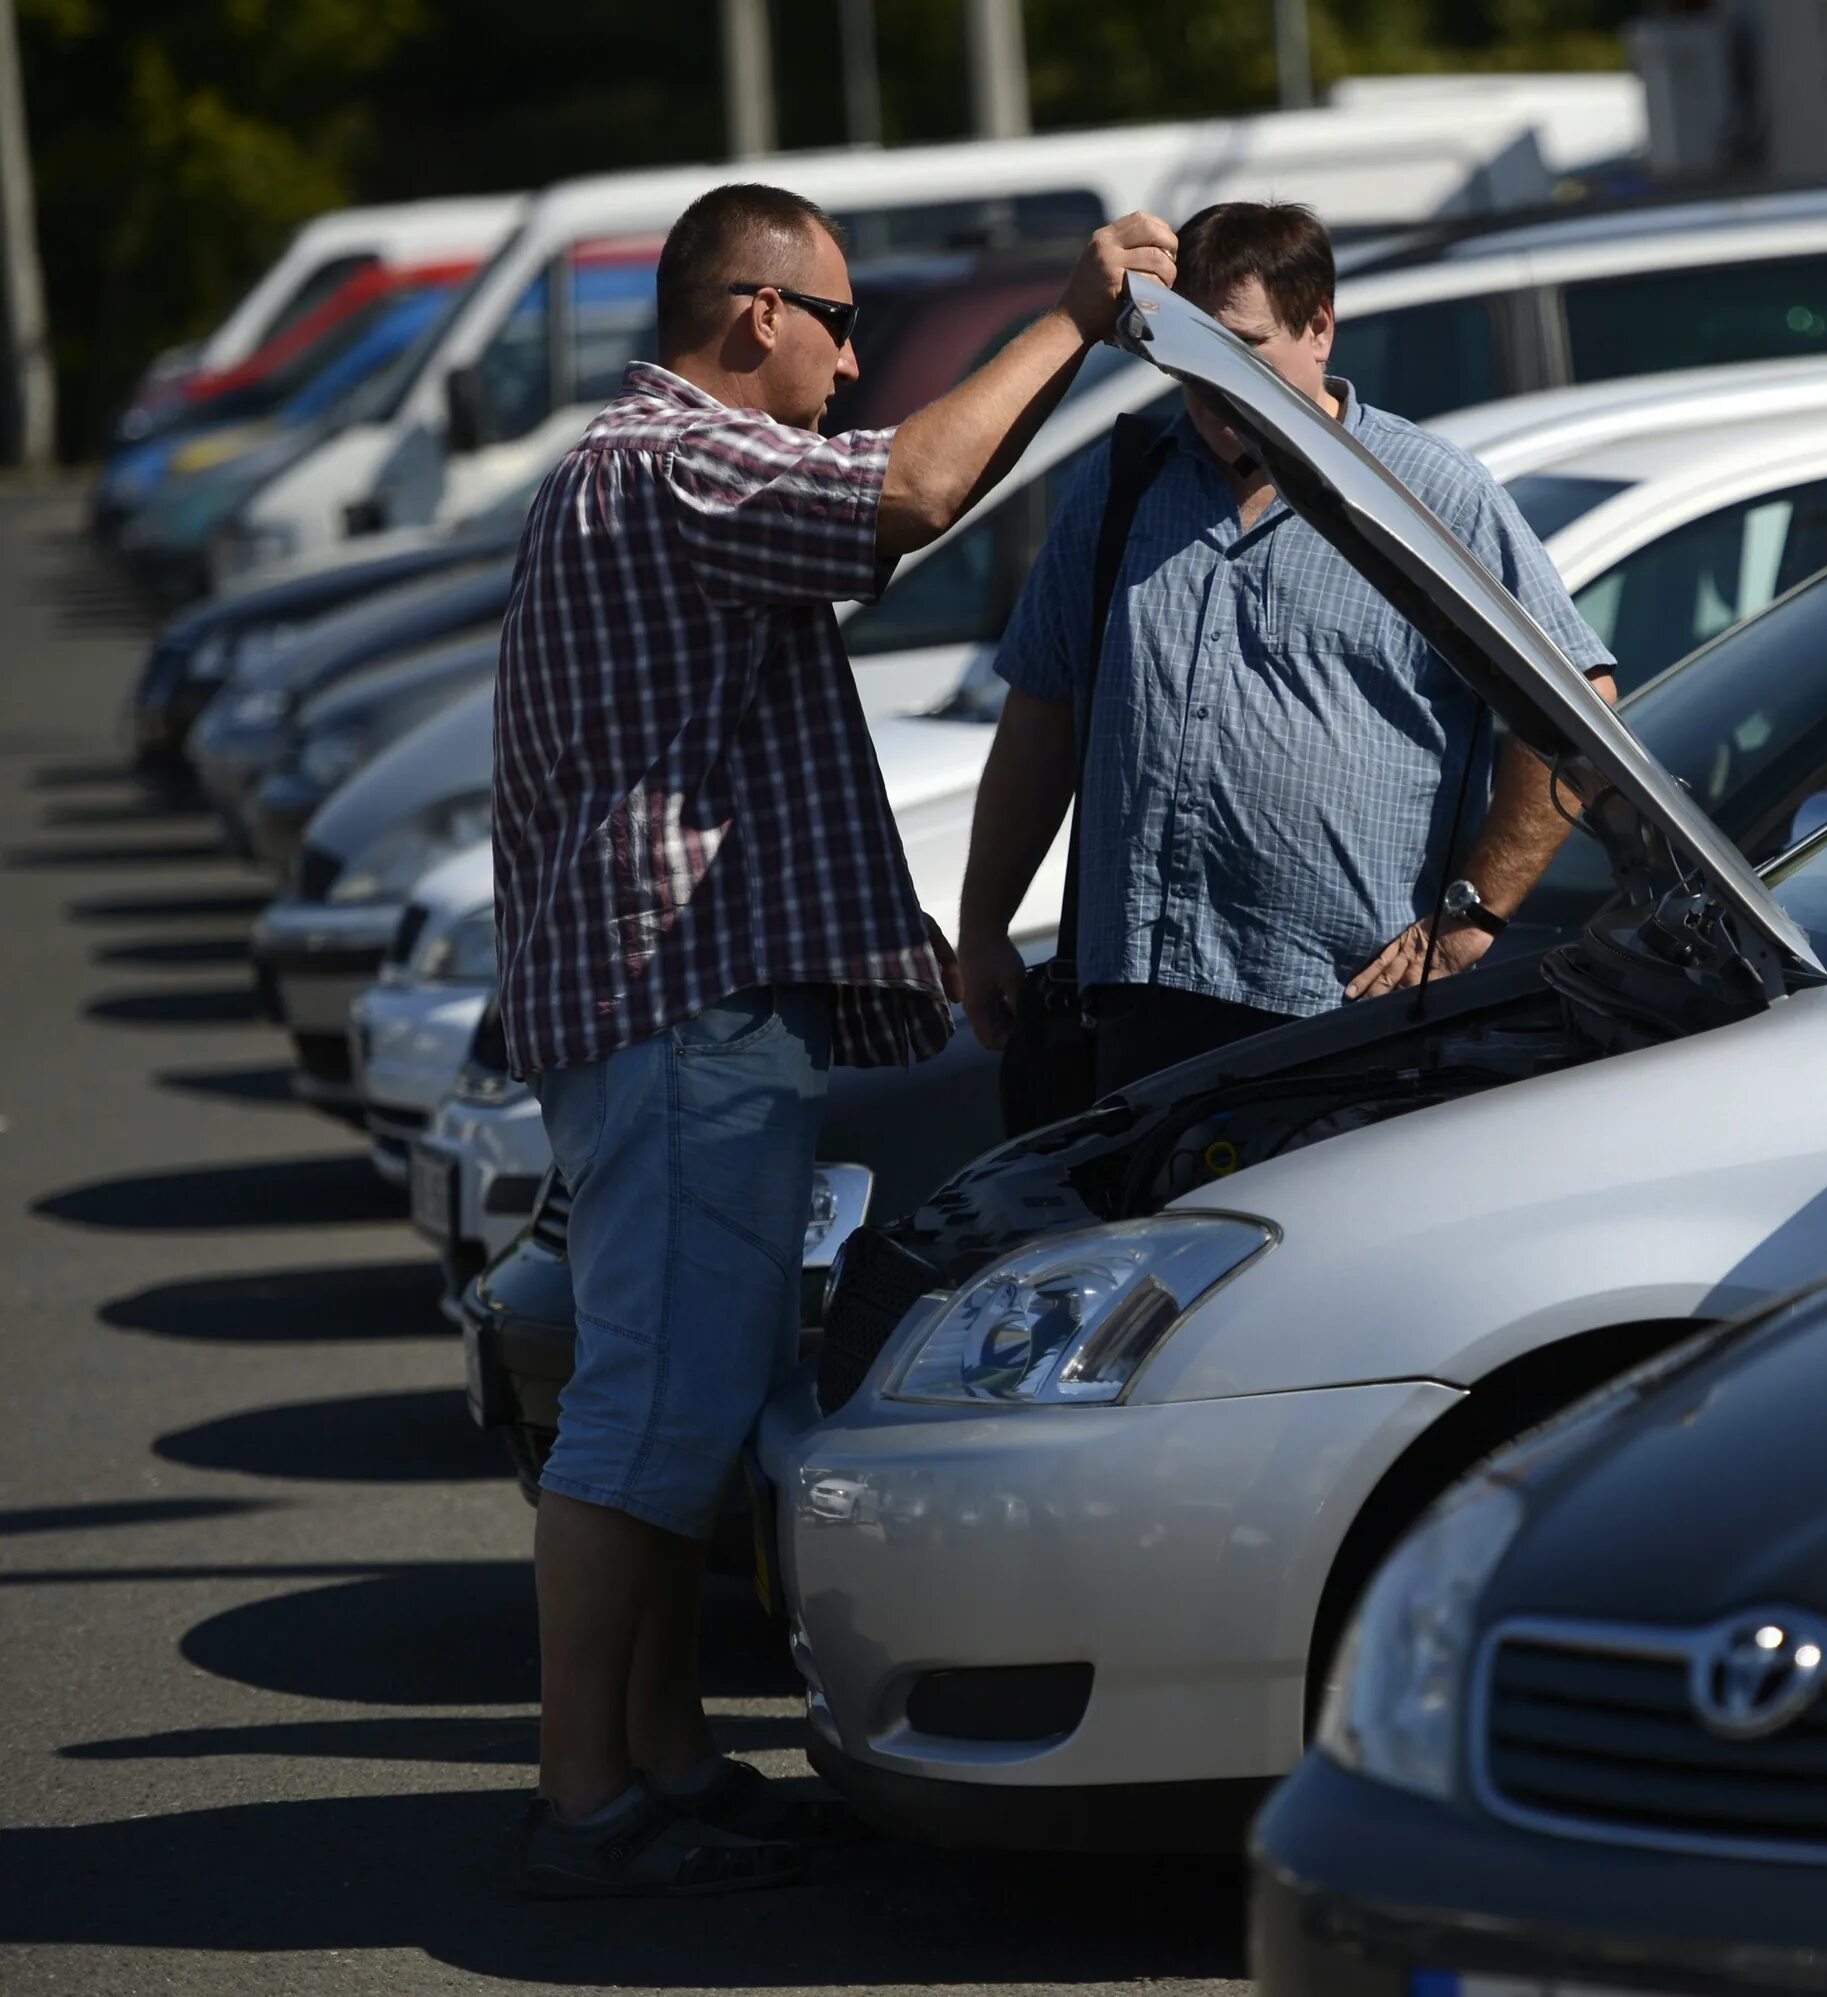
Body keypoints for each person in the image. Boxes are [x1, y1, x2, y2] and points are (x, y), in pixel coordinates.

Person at [490, 182, 1174, 1898]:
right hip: (679, 1016)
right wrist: (1075, 315)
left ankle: (661, 1764)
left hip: (679, 1015)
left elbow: (877, 517)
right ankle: (586, 1800)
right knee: (649, 1418)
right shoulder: (677, 459)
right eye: (844, 322)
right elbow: (921, 489)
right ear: (753, 317)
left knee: (690, 1413)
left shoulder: (646, 472)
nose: (860, 356)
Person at [952, 201, 1615, 1094]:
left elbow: (1579, 711)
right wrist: (985, 923)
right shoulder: (1122, 484)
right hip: (1138, 1010)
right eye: (1186, 348)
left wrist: (1467, 920)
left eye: (1245, 347)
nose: (1211, 382)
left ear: (1319, 330)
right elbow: (1045, 710)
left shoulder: (1427, 499)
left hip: (1339, 1020)